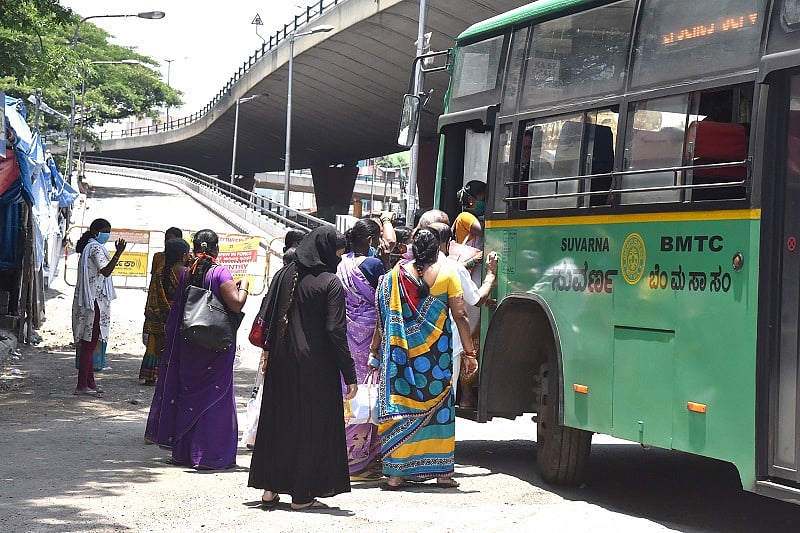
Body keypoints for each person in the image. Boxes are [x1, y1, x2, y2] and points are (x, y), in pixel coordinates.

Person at [248, 226, 358, 511]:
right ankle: (302, 495)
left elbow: (267, 314)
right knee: (310, 427)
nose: (339, 257)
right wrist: (349, 372)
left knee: (278, 423)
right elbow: (335, 329)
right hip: (315, 367)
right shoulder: (330, 282)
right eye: (337, 251)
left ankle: (270, 490)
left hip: (281, 361)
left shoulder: (284, 274)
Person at [369, 227, 475, 489]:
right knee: (441, 409)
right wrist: (471, 352)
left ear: (414, 249)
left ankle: (395, 474)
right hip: (436, 360)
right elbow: (460, 315)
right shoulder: (448, 272)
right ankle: (442, 473)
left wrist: (374, 349)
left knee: (404, 408)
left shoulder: (393, 277)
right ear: (438, 247)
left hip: (401, 361)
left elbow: (382, 319)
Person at [144, 229, 249, 469]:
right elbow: (235, 303)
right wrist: (244, 286)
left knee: (188, 395)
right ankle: (210, 455)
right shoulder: (220, 272)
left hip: (189, 344)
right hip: (215, 347)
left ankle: (185, 452)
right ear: (216, 249)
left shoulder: (186, 273)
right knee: (215, 397)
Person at [428, 222, 497, 409]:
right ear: (448, 243)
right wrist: (491, 275)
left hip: (414, 342)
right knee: (443, 399)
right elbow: (472, 302)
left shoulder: (403, 270)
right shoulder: (452, 269)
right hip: (446, 343)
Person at [337, 218, 385, 481]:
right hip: (368, 337)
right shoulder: (374, 265)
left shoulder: (340, 265)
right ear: (370, 240)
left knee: (347, 391)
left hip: (345, 333)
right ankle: (361, 459)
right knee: (368, 392)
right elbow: (382, 300)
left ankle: (344, 454)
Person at [72, 218, 127, 396]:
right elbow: (106, 270)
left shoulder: (90, 247)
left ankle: (89, 383)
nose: (108, 235)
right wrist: (118, 254)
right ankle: (82, 385)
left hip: (92, 299)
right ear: (96, 232)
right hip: (93, 301)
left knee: (90, 342)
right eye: (106, 231)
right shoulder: (95, 248)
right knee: (89, 343)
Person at [139, 229, 187, 385]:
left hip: (159, 315)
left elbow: (154, 293)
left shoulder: (161, 270)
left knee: (155, 346)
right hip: (180, 316)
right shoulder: (187, 272)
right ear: (183, 255)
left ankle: (151, 375)